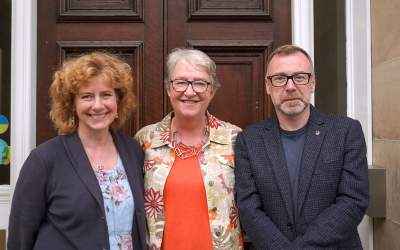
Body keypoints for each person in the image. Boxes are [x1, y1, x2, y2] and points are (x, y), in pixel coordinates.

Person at [235, 45, 369, 249]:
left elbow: (353, 200)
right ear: (268, 86)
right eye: (280, 78)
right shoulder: (249, 140)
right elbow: (248, 208)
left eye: (299, 77)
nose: (290, 86)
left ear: (312, 82)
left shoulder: (346, 131)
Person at [8, 52, 146, 250]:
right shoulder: (44, 159)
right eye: (87, 96)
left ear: (118, 100)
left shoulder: (133, 151)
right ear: (72, 104)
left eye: (106, 94)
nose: (98, 105)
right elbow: (20, 238)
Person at [135, 48, 243, 250]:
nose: (190, 91)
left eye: (200, 83)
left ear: (213, 91)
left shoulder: (235, 139)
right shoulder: (145, 140)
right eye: (181, 82)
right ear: (168, 88)